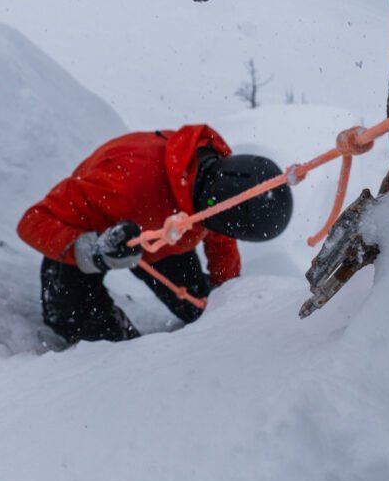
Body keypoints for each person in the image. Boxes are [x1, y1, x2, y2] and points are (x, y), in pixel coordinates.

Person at [17, 124, 292, 344]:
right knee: (78, 322)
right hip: (89, 238)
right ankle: (123, 362)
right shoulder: (125, 187)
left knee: (204, 309)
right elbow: (33, 221)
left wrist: (229, 296)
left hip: (164, 237)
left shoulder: (216, 182)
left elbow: (222, 236)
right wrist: (94, 252)